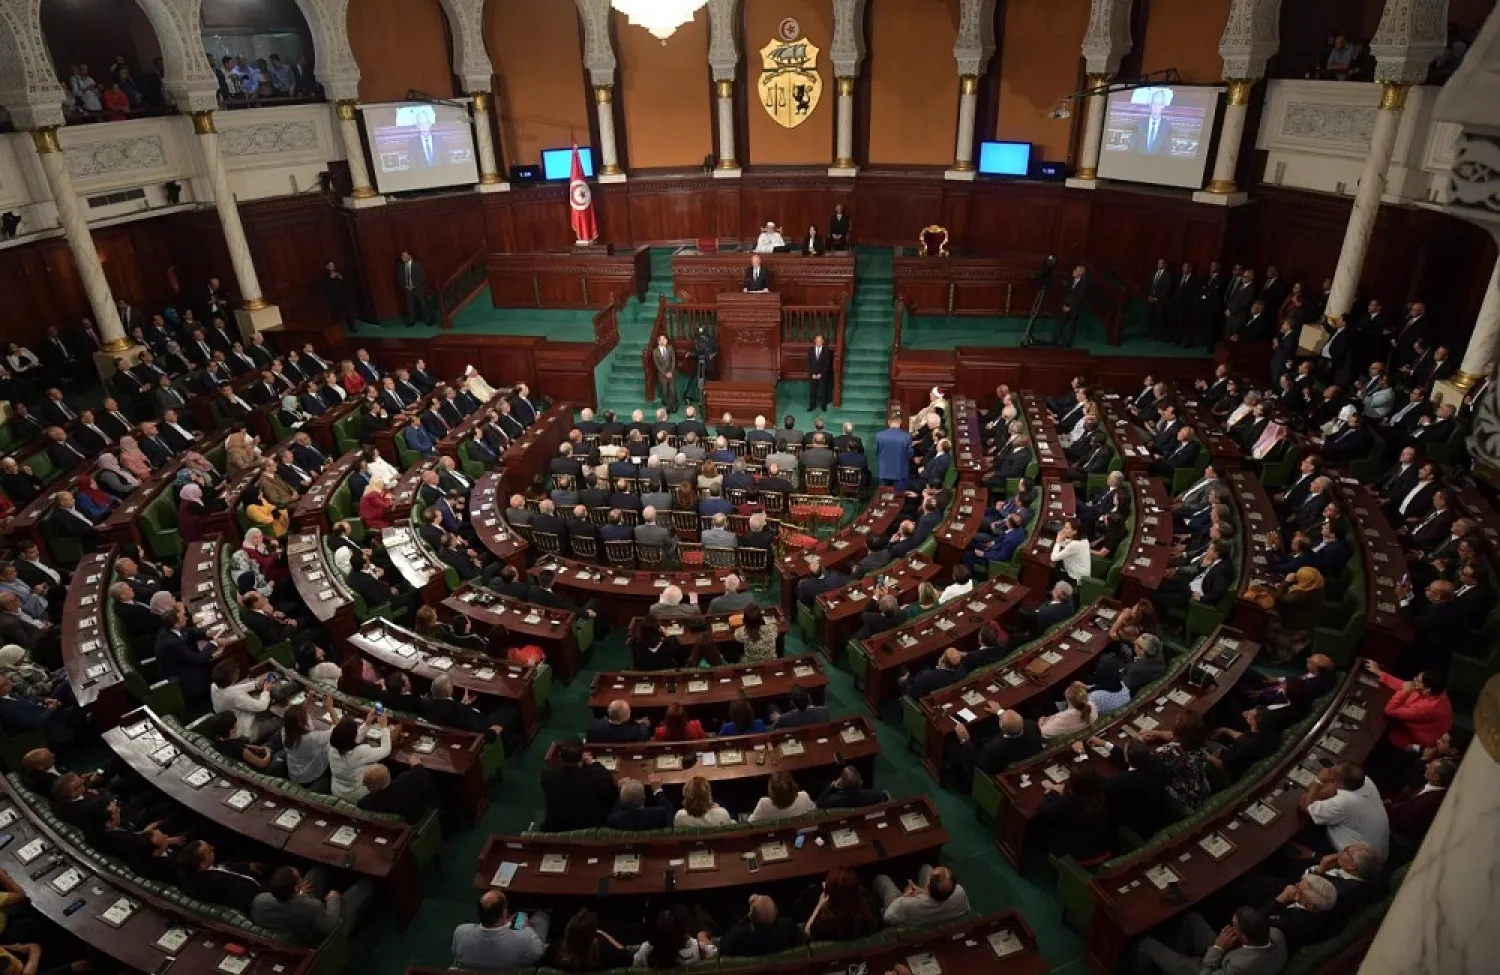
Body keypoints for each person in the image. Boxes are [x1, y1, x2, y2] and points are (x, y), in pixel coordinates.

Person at [1135, 906, 1286, 975]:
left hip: (1208, 968)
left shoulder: (1238, 967)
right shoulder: (1276, 934)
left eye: (1234, 927)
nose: (1231, 928)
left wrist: (1218, 948)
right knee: (1191, 917)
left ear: (1244, 937)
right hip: (1232, 955)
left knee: (1146, 944)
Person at [452, 890, 548, 970]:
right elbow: (538, 953)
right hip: (513, 970)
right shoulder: (523, 937)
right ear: (503, 914)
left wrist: (507, 924)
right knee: (541, 918)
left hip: (475, 971)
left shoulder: (461, 931)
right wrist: (526, 928)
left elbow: (455, 951)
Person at [541, 740, 617, 831]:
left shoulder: (547, 775)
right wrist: (594, 763)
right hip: (587, 825)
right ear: (581, 758)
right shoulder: (593, 776)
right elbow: (609, 784)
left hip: (556, 823)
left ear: (560, 756)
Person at [1264, 567, 1326, 663]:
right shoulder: (1317, 588)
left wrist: (1286, 582)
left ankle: (1272, 654)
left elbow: (1279, 602)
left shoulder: (1300, 596)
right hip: (1305, 625)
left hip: (1291, 627)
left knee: (1263, 617)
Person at [872, 865, 970, 926]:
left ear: (927, 885)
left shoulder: (904, 904)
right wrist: (922, 892)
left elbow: (888, 918)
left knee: (882, 879)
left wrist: (905, 895)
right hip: (939, 914)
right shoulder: (959, 892)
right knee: (926, 868)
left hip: (910, 915)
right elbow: (966, 910)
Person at [327, 710, 391, 802]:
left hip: (337, 790)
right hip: (356, 795)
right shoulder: (360, 752)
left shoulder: (332, 747)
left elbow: (349, 741)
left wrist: (367, 723)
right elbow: (386, 750)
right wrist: (384, 727)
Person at [719, 893, 804, 957]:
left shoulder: (738, 940)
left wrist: (747, 917)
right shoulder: (789, 929)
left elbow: (723, 945)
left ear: (750, 918)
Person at [547, 909, 633, 971]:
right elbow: (629, 958)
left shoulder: (555, 951)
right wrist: (604, 934)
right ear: (593, 938)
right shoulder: (605, 955)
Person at [634, 908, 717, 967]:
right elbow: (714, 953)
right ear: (681, 930)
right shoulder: (694, 947)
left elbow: (634, 964)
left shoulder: (645, 952)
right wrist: (702, 937)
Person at [358, 764, 437, 823]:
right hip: (424, 815)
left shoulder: (366, 802)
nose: (364, 785)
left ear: (375, 786)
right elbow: (424, 774)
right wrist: (417, 765)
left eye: (365, 783)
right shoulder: (408, 778)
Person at [747, 771, 815, 823]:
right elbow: (815, 813)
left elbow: (750, 823)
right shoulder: (804, 796)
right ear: (793, 784)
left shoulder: (764, 804)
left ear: (771, 789)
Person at [816, 764, 888, 810]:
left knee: (822, 783)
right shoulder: (872, 795)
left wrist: (832, 786)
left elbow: (819, 803)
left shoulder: (839, 799)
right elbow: (884, 796)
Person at [397, 251, 427, 326]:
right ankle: (411, 321)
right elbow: (400, 278)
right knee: (410, 305)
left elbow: (422, 276)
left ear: (409, 256)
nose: (402, 258)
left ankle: (428, 319)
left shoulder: (417, 265)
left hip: (418, 288)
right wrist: (405, 286)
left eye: (404, 256)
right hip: (407, 289)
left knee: (423, 304)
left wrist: (414, 285)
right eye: (402, 256)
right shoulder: (401, 266)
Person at [651, 335, 678, 412]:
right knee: (665, 391)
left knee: (672, 390)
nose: (665, 340)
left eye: (665, 339)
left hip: (671, 373)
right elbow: (657, 365)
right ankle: (668, 407)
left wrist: (671, 371)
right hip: (662, 375)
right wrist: (665, 373)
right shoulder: (655, 351)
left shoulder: (670, 348)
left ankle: (673, 406)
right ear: (659, 341)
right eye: (663, 339)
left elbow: (673, 360)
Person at [806, 333, 832, 410]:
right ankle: (812, 406)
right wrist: (812, 373)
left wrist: (821, 374)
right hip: (813, 374)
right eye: (817, 340)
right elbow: (808, 363)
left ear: (822, 341)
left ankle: (823, 406)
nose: (818, 342)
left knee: (823, 391)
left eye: (820, 341)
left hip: (822, 374)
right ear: (815, 341)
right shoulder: (810, 350)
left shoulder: (826, 351)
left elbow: (827, 364)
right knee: (812, 391)